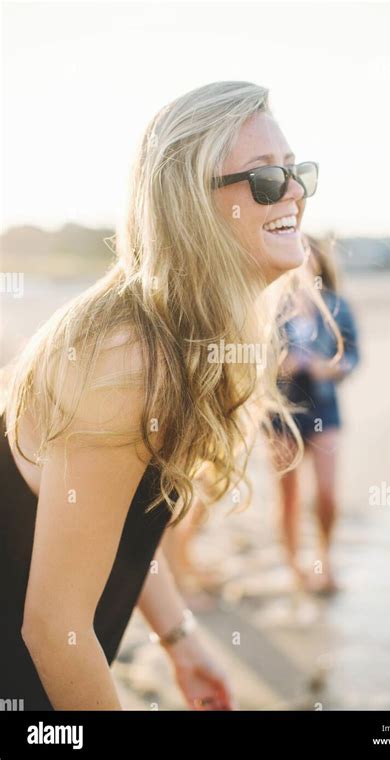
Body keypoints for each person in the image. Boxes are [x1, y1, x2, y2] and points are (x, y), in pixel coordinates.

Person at [0, 80, 323, 710]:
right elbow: (53, 629)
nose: (293, 191)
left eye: (297, 172)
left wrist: (180, 640)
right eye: (263, 179)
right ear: (190, 207)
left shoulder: (188, 339)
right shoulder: (125, 357)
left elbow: (117, 526)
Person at [270, 234, 360, 594]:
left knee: (327, 494)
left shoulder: (337, 306)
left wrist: (332, 368)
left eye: (311, 256)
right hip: (281, 411)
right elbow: (253, 361)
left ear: (321, 263)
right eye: (299, 255)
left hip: (324, 406)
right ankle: (295, 567)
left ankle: (325, 559)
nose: (305, 262)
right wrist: (281, 366)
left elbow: (353, 356)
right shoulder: (272, 306)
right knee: (287, 496)